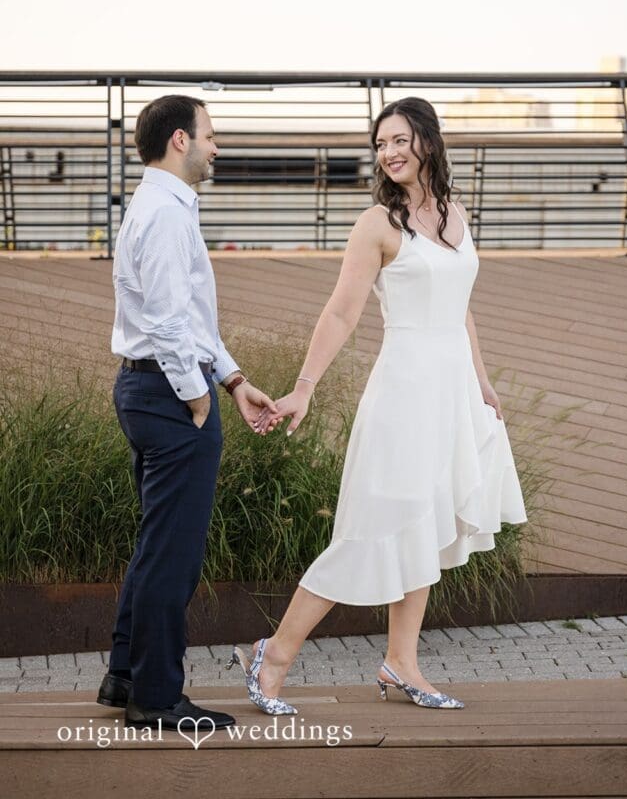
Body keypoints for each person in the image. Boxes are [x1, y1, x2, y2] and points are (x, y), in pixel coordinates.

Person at [227, 96, 528, 714]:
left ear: (428, 142)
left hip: (451, 393)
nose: (389, 153)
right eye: (380, 144)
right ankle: (274, 654)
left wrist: (482, 381)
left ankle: (401, 663)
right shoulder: (377, 224)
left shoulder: (454, 213)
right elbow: (342, 310)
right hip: (403, 392)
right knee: (371, 529)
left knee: (425, 522)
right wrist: (304, 388)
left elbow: (461, 306)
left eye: (399, 140)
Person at [97, 94, 281, 731]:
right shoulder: (168, 215)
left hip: (149, 390)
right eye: (211, 134)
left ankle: (125, 675)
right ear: (181, 140)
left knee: (156, 542)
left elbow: (188, 318)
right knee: (173, 553)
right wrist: (198, 394)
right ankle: (156, 696)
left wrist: (231, 378)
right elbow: (171, 322)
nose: (216, 146)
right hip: (171, 398)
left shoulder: (154, 206)